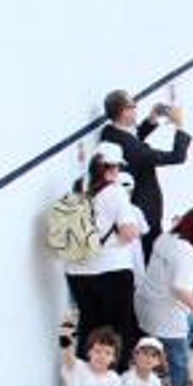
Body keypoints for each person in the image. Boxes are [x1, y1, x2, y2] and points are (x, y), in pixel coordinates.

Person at [63, 142, 143, 362]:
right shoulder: (115, 192)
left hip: (77, 272)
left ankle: (84, 376)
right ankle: (114, 379)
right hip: (111, 270)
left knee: (89, 327)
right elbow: (129, 233)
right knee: (117, 331)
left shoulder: (78, 186)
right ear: (111, 167)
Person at [99, 90, 193, 258]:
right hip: (145, 212)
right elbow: (177, 156)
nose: (136, 109)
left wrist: (152, 119)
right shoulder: (132, 148)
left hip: (136, 209)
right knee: (153, 258)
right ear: (124, 111)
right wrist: (179, 125)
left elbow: (133, 141)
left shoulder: (109, 133)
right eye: (133, 106)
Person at [140, 207, 193, 386]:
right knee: (180, 363)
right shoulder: (185, 251)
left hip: (145, 305)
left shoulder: (166, 238)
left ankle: (163, 361)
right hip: (165, 315)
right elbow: (180, 290)